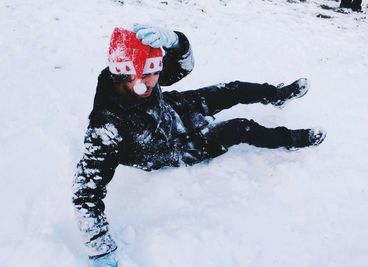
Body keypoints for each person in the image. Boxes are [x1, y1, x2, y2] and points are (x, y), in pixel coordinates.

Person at [72, 24, 326, 267]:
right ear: (122, 75)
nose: (151, 82)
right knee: (239, 127)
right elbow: (85, 194)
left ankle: (277, 96)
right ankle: (292, 140)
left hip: (175, 110)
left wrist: (175, 41)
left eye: (154, 73)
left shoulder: (141, 80)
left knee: (232, 90)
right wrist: (101, 250)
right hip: (177, 147)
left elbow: (183, 67)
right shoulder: (105, 127)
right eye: (144, 76)